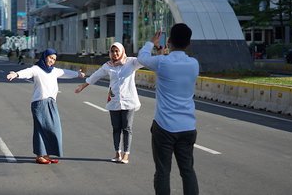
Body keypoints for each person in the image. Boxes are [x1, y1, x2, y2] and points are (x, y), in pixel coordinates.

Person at [137, 23, 199, 195]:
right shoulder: (194, 64)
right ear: (188, 43)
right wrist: (162, 52)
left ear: (169, 40)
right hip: (188, 126)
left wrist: (151, 42)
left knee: (163, 171)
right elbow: (169, 64)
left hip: (164, 127)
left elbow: (142, 58)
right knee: (187, 171)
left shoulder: (162, 62)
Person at [6, 49, 85, 165]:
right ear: (45, 56)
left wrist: (78, 74)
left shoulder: (54, 71)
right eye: (50, 58)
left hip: (51, 103)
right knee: (41, 129)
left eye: (54, 59)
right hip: (40, 103)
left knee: (54, 128)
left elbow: (65, 72)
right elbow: (27, 72)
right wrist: (16, 74)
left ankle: (46, 154)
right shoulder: (37, 69)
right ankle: (40, 155)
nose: (52, 61)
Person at [75, 42, 143, 164]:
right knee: (116, 128)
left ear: (122, 51)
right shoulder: (108, 65)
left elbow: (145, 61)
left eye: (117, 51)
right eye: (112, 51)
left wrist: (158, 51)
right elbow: (96, 76)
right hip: (114, 100)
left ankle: (126, 154)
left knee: (127, 128)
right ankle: (117, 153)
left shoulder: (131, 62)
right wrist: (83, 86)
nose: (115, 54)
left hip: (129, 100)